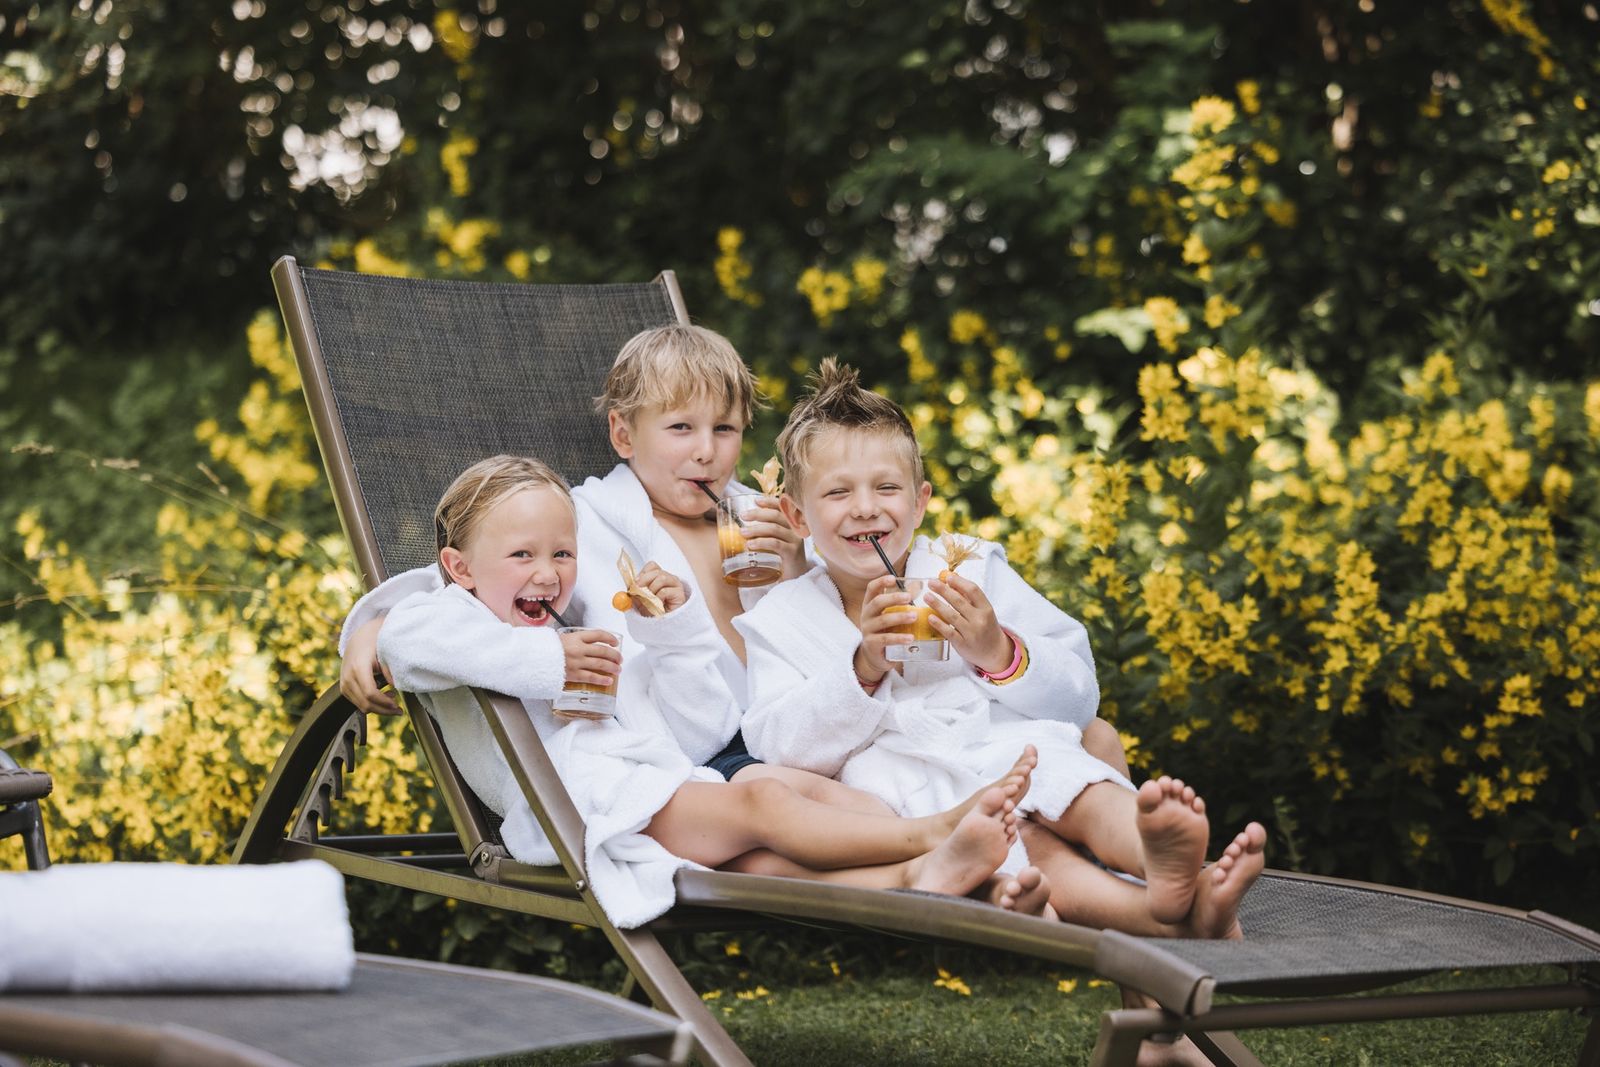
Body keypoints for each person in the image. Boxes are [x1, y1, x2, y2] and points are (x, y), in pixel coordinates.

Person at [338, 323, 1062, 912]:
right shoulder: (588, 519)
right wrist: (374, 625)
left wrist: (795, 565)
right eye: (680, 427)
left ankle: (952, 862)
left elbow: (832, 612)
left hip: (781, 735)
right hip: (681, 753)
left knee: (799, 819)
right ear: (624, 436)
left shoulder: (760, 516)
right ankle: (931, 851)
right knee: (766, 830)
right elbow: (478, 575)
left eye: (725, 429)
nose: (707, 450)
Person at [379, 454, 1035, 927]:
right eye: (523, 555)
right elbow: (402, 642)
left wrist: (671, 633)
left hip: (652, 778)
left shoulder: (576, 617)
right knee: (766, 803)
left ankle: (918, 875)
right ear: (459, 567)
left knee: (782, 820)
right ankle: (929, 835)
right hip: (580, 804)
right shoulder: (445, 615)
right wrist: (549, 660)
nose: (548, 574)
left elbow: (688, 727)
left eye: (564, 552)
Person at [736, 359, 1267, 940]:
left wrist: (999, 650)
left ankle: (1155, 855)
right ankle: (1171, 915)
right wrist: (861, 667)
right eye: (838, 492)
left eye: (887, 487)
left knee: (1079, 785)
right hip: (916, 786)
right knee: (1037, 850)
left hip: (1011, 742)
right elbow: (775, 744)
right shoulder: (781, 617)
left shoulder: (969, 569)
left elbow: (1078, 693)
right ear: (796, 515)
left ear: (919, 503)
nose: (865, 507)